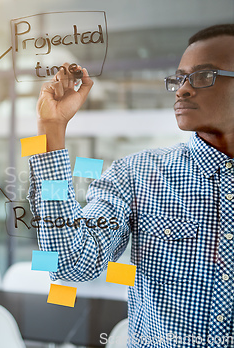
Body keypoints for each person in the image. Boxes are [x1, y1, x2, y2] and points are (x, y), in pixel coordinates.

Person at [27, 24, 234, 347]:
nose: (182, 90)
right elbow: (69, 262)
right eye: (179, 78)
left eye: (203, 76)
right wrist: (50, 130)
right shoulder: (135, 174)